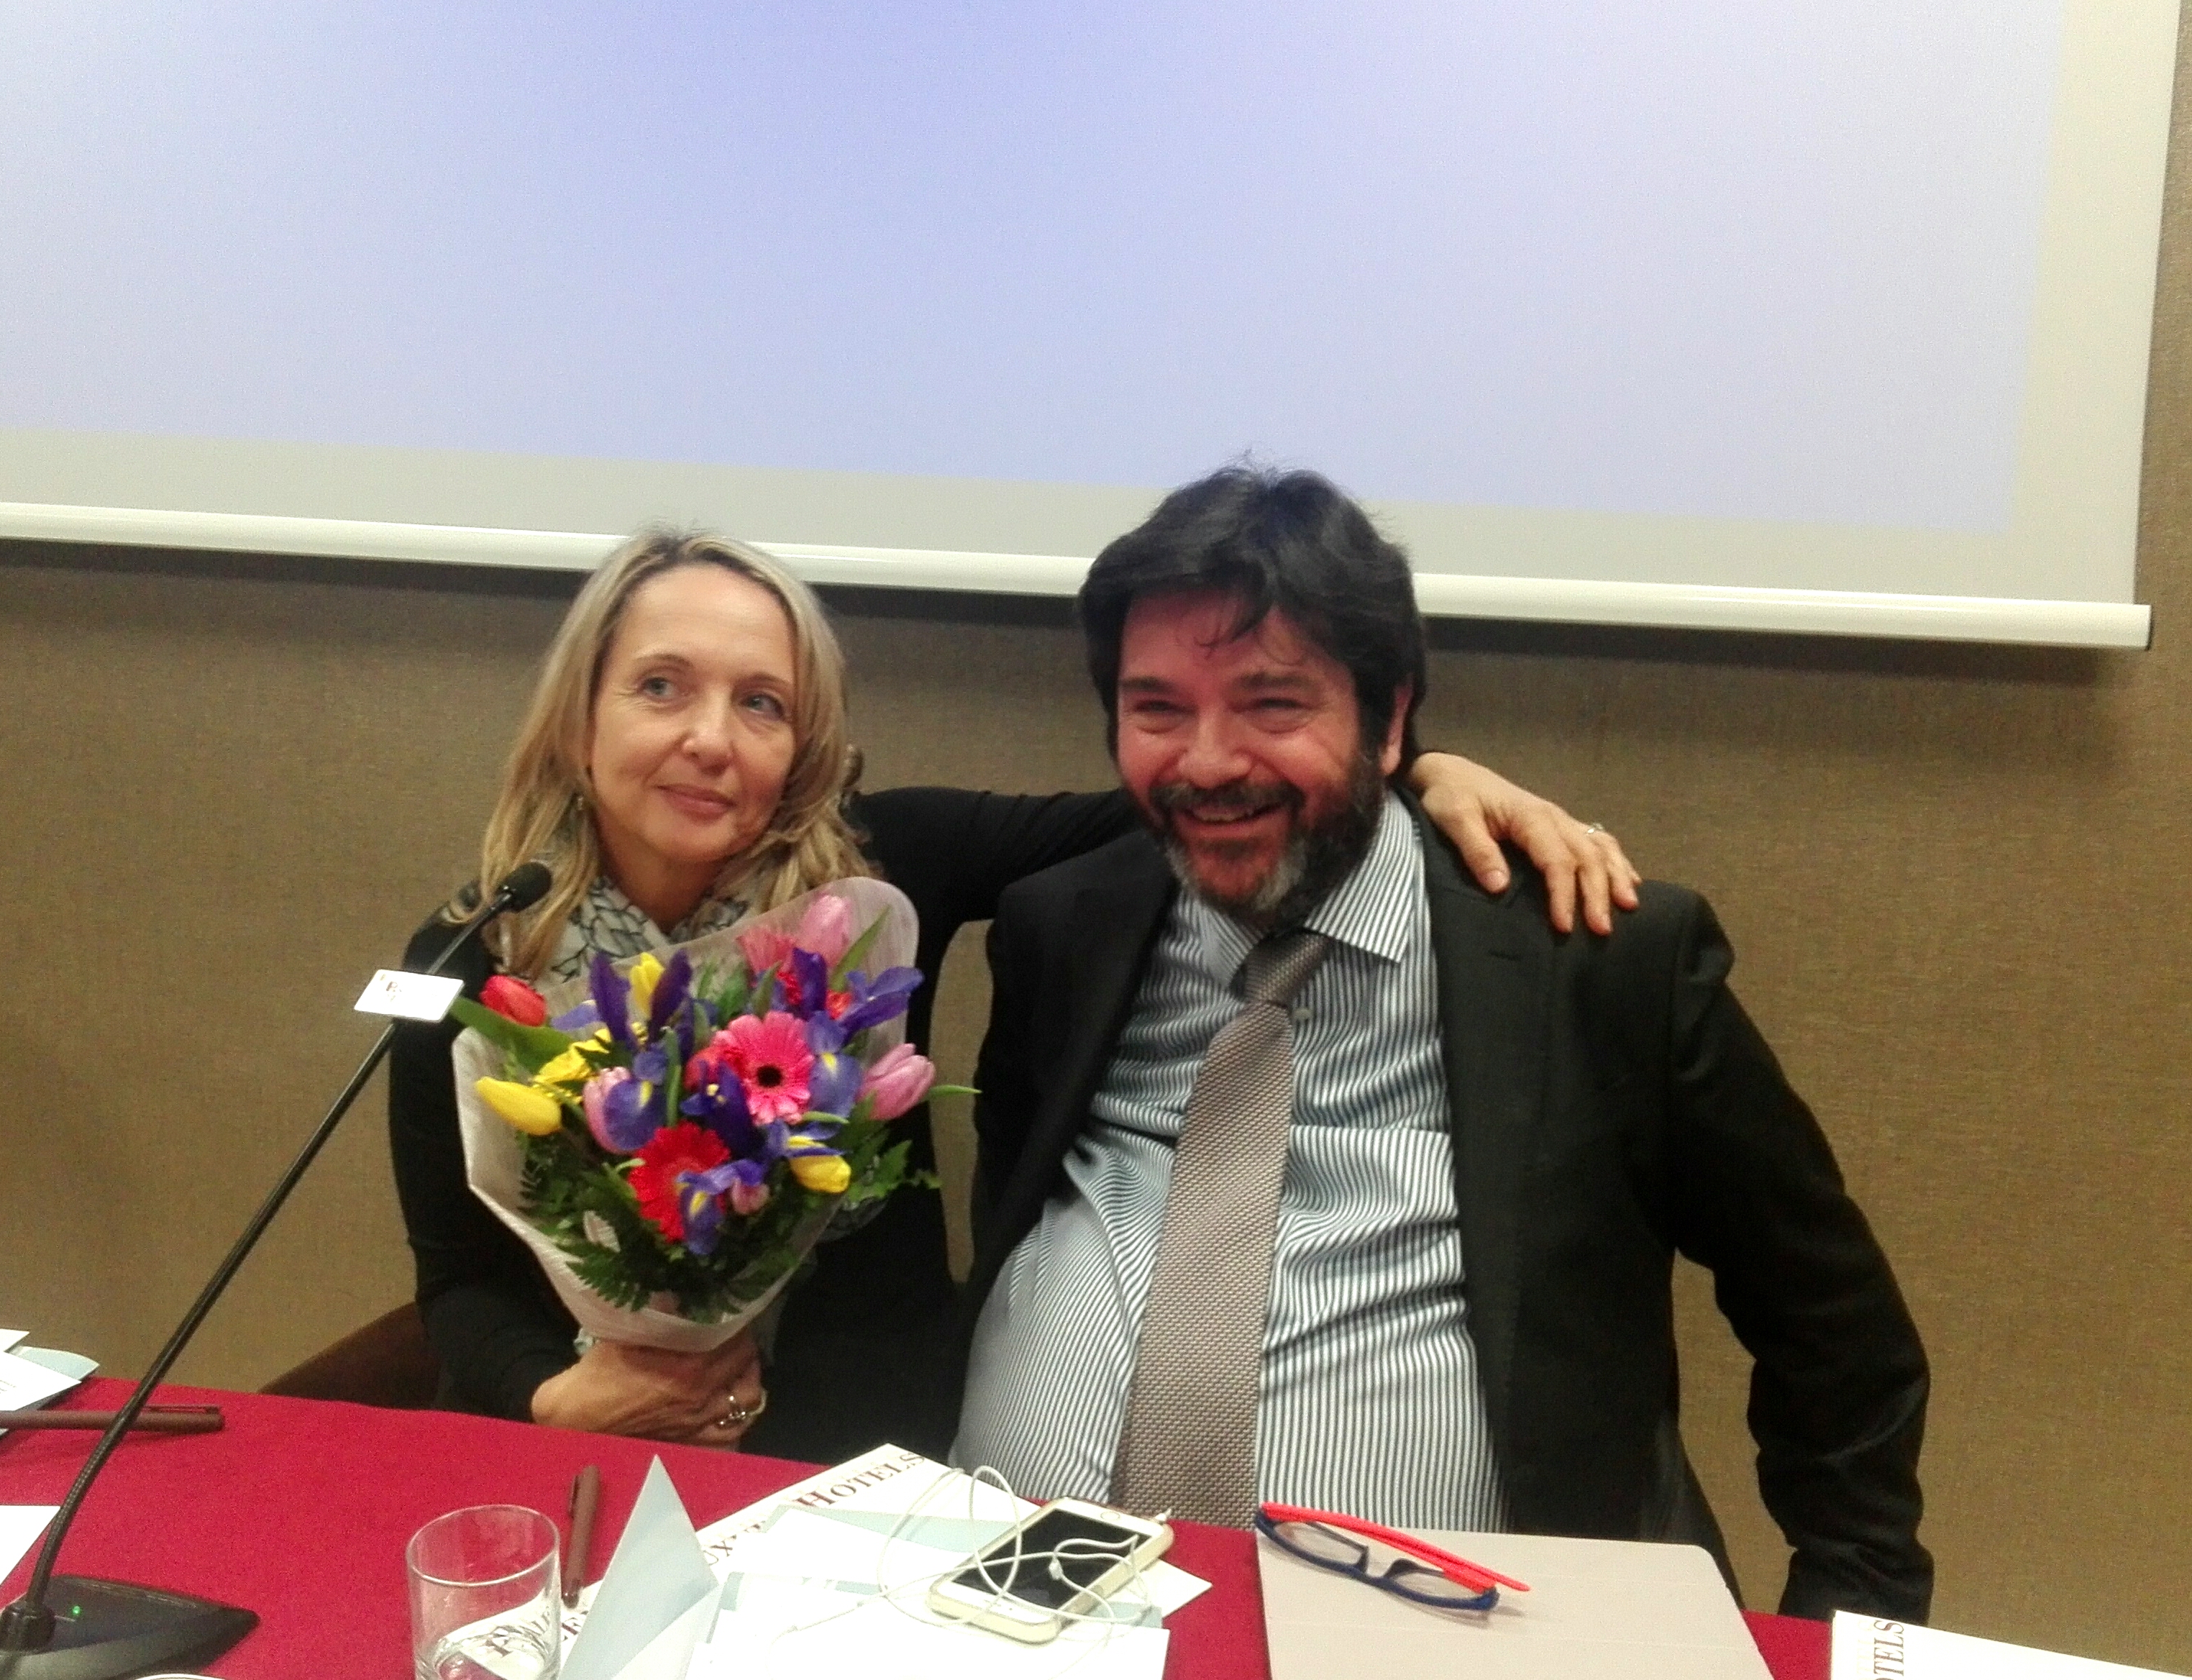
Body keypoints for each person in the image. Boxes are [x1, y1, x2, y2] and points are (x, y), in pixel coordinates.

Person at [388, 528, 1641, 1462]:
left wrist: (1417, 767)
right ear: (580, 719)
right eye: (661, 686)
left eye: (761, 703)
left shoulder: (877, 874)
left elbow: (1190, 794)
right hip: (575, 1439)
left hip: (850, 1450)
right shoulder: (473, 956)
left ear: (802, 742)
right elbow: (456, 1277)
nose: (712, 738)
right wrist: (557, 1396)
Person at [954, 467, 1932, 1620]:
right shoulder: (1059, 927)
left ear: (1389, 720)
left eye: (1274, 705)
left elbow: (1832, 1327)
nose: (1207, 761)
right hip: (1015, 1603)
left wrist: (1846, 1625)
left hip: (1470, 1635)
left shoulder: (1595, 960)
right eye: (1157, 708)